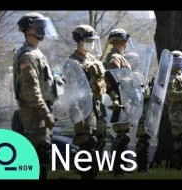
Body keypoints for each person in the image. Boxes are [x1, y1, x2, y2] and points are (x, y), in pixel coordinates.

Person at [12, 12, 59, 179]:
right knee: (38, 161)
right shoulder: (29, 56)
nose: (43, 30)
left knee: (41, 160)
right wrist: (45, 114)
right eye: (39, 26)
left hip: (38, 116)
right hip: (33, 118)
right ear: (28, 30)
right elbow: (31, 92)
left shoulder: (35, 53)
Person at [63, 24, 107, 179]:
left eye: (93, 40)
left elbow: (102, 84)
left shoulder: (93, 60)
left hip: (97, 107)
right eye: (89, 40)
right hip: (83, 109)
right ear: (79, 40)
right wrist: (77, 116)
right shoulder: (72, 63)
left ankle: (93, 173)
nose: (92, 43)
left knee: (100, 140)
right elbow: (71, 92)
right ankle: (86, 175)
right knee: (87, 142)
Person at [103, 28, 133, 175]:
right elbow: (111, 81)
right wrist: (117, 98)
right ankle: (117, 168)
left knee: (124, 135)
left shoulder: (121, 57)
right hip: (120, 101)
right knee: (121, 136)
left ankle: (120, 167)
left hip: (125, 100)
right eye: (125, 40)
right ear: (122, 41)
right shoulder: (114, 58)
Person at [125, 52, 152, 173]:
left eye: (137, 60)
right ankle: (135, 167)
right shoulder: (128, 76)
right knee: (129, 139)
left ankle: (142, 167)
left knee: (143, 139)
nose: (137, 63)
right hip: (133, 111)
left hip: (142, 113)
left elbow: (146, 94)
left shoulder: (141, 76)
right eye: (134, 60)